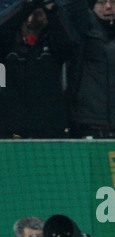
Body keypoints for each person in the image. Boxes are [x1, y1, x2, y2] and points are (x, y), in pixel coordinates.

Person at [62, 0, 115, 139]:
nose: (108, 7)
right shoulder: (81, 36)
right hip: (89, 126)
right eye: (101, 2)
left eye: (114, 2)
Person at [0, 0, 77, 139]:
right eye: (28, 15)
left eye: (38, 15)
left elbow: (69, 46)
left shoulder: (53, 43)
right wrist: (26, 6)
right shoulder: (8, 43)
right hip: (11, 128)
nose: (31, 20)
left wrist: (51, 10)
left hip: (48, 129)